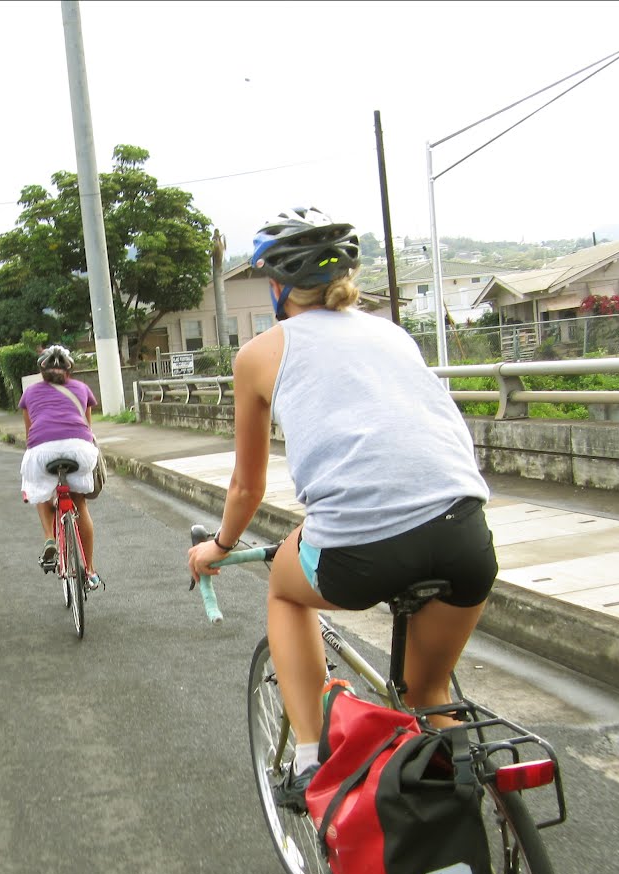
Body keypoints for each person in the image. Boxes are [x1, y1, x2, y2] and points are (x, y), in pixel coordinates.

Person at [186, 207, 496, 809]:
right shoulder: (393, 334)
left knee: (282, 588)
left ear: (277, 286)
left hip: (360, 552)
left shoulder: (258, 354)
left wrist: (218, 546)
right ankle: (476, 810)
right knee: (429, 691)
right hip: (466, 534)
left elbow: (247, 489)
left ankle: (310, 760)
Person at [19, 344, 103, 589]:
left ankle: (49, 539)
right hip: (80, 450)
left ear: (42, 371)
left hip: (43, 451)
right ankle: (89, 570)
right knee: (80, 503)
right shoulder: (82, 389)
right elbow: (88, 429)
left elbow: (29, 435)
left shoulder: (30, 393)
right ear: (69, 369)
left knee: (41, 492)